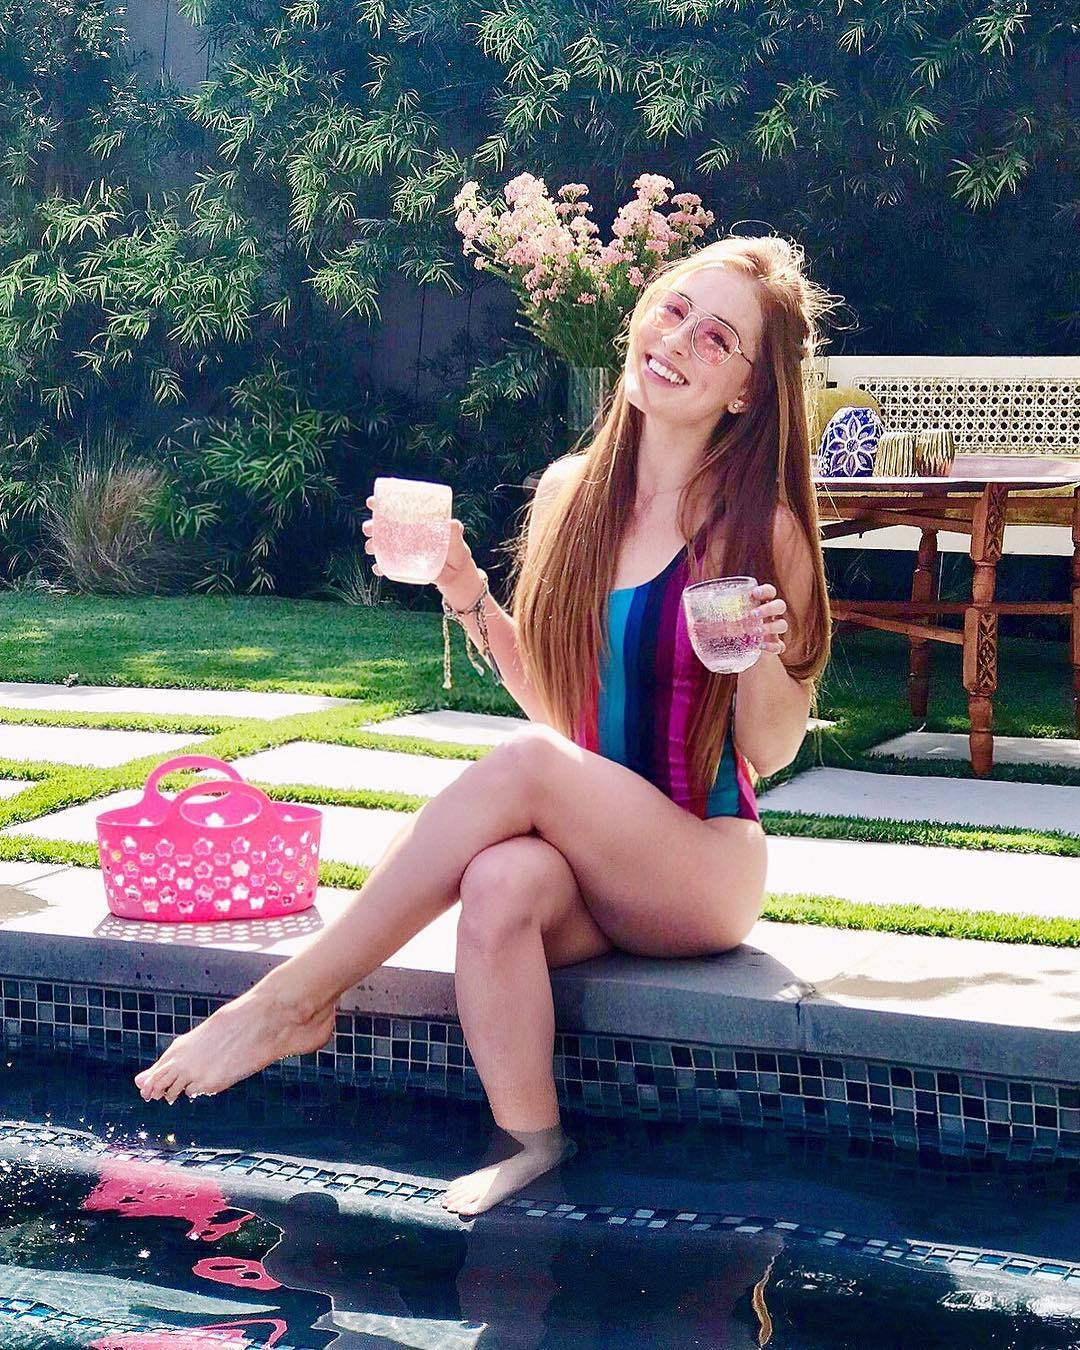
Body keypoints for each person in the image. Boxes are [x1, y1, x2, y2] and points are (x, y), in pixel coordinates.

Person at [135, 233, 835, 1217]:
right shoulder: (568, 494)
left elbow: (770, 749)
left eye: (717, 337)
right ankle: (531, 1142)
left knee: (526, 768)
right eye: (675, 308)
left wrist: (757, 650)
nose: (679, 339)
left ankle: (293, 1000)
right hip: (591, 858)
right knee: (500, 881)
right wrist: (466, 590)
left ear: (748, 390)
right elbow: (559, 709)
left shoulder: (761, 526)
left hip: (700, 863)